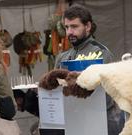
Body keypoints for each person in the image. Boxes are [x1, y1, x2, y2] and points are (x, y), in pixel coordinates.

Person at [54, 5, 124, 135]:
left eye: (74, 26)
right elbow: (56, 91)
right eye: (67, 27)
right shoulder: (61, 57)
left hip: (100, 123)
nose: (69, 32)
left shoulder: (101, 53)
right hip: (72, 122)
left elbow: (111, 94)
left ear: (87, 27)